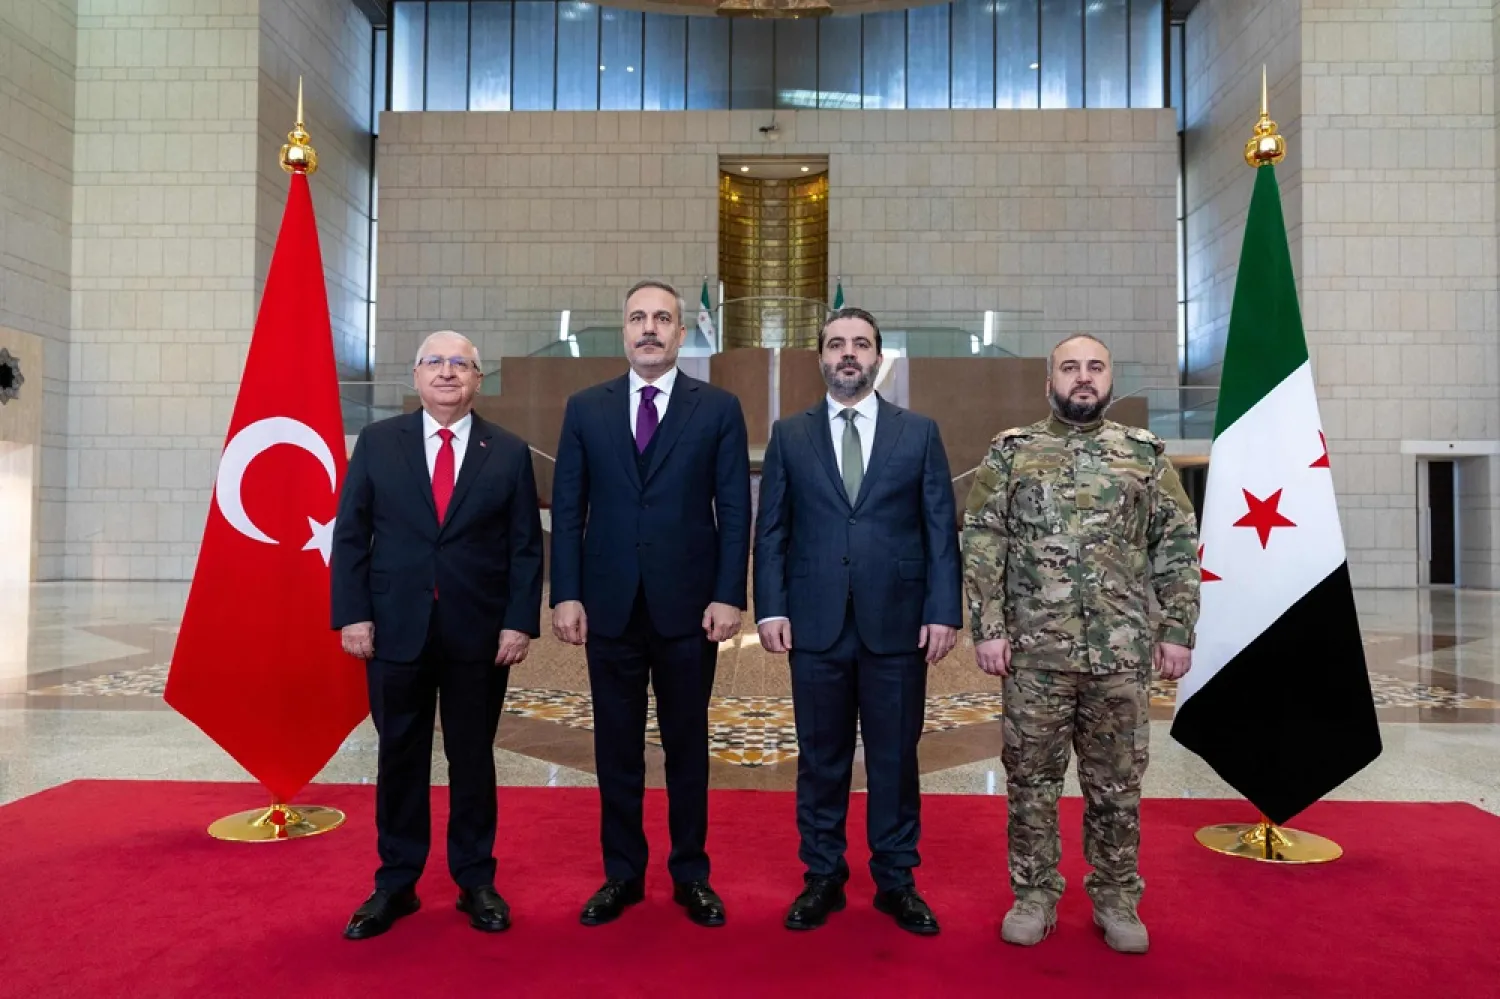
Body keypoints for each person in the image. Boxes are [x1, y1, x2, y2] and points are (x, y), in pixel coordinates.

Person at [961, 332, 1200, 954]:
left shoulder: (1143, 454)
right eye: (1071, 367)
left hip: (1119, 655)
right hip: (1034, 656)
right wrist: (988, 629)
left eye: (1095, 367)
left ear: (1110, 380)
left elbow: (1176, 543)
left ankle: (1117, 897)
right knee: (1030, 782)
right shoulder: (1013, 451)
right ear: (1051, 382)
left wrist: (1177, 629)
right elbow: (983, 540)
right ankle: (1034, 895)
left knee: (1117, 785)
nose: (1084, 377)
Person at [754, 306, 961, 936]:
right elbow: (773, 530)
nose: (849, 353)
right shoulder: (790, 435)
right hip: (814, 623)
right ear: (821, 356)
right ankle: (822, 875)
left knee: (896, 757)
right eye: (837, 344)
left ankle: (896, 880)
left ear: (877, 357)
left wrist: (943, 611)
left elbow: (940, 530)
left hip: (898, 624)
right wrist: (771, 606)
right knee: (821, 758)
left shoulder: (918, 433)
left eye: (861, 344)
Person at [550, 279, 752, 928]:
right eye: (638, 317)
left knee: (687, 745)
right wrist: (566, 592)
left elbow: (735, 510)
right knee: (615, 747)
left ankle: (691, 873)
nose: (649, 328)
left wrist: (729, 594)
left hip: (689, 608)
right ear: (624, 329)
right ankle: (623, 874)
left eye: (662, 318)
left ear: (681, 333)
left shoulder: (717, 408)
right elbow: (568, 508)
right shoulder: (586, 408)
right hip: (608, 604)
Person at [330, 330, 544, 940]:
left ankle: (475, 879)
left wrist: (518, 621)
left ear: (478, 379)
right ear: (416, 376)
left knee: (472, 757)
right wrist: (353, 614)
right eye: (434, 362)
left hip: (480, 634)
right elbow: (352, 534)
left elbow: (525, 548)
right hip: (394, 629)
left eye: (460, 364)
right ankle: (396, 882)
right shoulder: (378, 443)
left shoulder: (508, 451)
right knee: (399, 755)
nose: (447, 372)